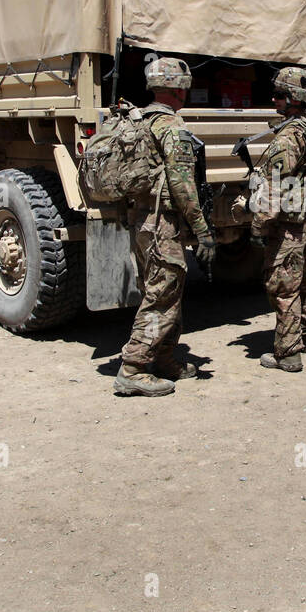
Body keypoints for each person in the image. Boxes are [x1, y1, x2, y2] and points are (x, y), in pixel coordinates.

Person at [113, 57, 218, 396]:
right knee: (162, 294)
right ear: (179, 89)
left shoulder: (141, 121)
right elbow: (182, 184)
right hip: (162, 224)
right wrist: (202, 229)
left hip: (142, 221)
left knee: (164, 290)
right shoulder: (170, 126)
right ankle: (133, 367)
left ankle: (164, 359)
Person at [254, 67, 306, 372]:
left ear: (295, 98)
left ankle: (288, 354)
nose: (274, 99)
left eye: (280, 95)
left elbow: (274, 186)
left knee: (284, 286)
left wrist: (259, 225)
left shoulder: (287, 137)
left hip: (289, 225)